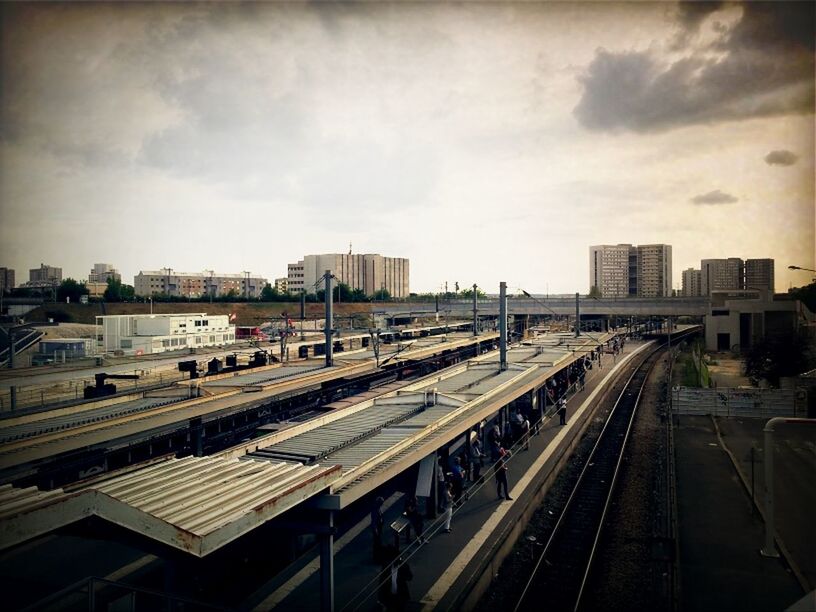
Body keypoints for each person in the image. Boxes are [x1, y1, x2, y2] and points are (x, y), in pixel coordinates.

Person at [371, 495, 384, 562]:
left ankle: (377, 557)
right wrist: (376, 530)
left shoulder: (378, 509)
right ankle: (377, 558)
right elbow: (374, 521)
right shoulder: (375, 510)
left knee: (378, 543)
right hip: (377, 529)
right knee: (377, 543)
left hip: (379, 528)